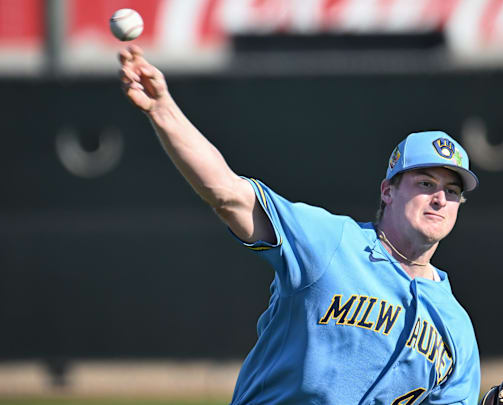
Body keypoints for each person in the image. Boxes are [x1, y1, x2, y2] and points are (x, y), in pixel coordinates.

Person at [119, 45, 481, 405]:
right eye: (425, 184)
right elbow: (228, 194)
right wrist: (163, 109)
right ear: (388, 191)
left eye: (452, 191)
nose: (439, 199)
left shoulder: (457, 327)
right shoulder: (332, 242)